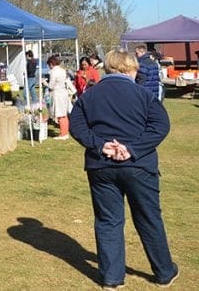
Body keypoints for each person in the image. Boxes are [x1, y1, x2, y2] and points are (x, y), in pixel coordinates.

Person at [69, 50, 179, 289]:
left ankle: (112, 277)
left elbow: (75, 125)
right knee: (149, 218)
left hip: (102, 166)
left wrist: (101, 145)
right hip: (138, 167)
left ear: (108, 68)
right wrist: (130, 149)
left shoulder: (89, 95)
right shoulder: (144, 94)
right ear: (131, 69)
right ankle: (164, 272)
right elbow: (161, 125)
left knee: (108, 220)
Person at [46, 55, 73, 140]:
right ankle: (65, 132)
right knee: (64, 114)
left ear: (51, 64)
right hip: (63, 92)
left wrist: (45, 83)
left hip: (57, 93)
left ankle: (63, 134)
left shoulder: (53, 72)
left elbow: (51, 85)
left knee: (60, 114)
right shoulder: (63, 70)